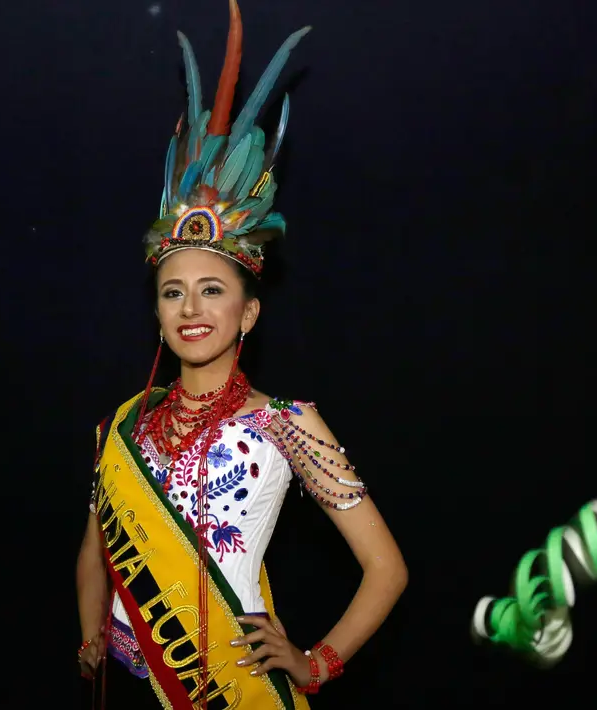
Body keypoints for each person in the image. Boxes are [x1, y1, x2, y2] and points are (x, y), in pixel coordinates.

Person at [74, 2, 408, 707]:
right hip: (134, 688)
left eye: (210, 290)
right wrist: (90, 633)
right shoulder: (126, 423)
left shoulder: (287, 424)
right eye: (172, 292)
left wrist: (316, 661)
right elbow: (94, 550)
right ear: (157, 310)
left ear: (247, 310)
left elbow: (386, 568)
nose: (190, 309)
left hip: (234, 690)